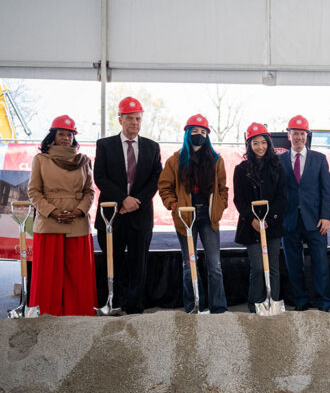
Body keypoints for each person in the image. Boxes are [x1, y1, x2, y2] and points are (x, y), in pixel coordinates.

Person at [94, 97, 162, 314]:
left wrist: (136, 202)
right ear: (120, 119)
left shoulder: (152, 147)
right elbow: (100, 177)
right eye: (130, 118)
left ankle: (134, 307)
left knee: (138, 264)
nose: (135, 122)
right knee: (111, 262)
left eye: (138, 118)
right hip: (111, 215)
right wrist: (123, 198)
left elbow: (155, 179)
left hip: (140, 215)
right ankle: (112, 303)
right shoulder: (105, 145)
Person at [158, 114, 229, 313]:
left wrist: (220, 206)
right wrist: (173, 204)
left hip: (209, 218)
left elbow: (223, 188)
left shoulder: (216, 160)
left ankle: (218, 306)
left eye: (203, 132)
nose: (199, 135)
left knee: (214, 264)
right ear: (187, 133)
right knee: (189, 263)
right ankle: (194, 304)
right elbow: (165, 186)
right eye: (195, 131)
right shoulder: (175, 160)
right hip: (185, 217)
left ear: (207, 135)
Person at [27, 115, 96, 315]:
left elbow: (89, 191)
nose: (66, 138)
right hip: (49, 222)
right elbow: (34, 192)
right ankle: (47, 313)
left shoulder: (83, 160)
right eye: (61, 133)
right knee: (47, 274)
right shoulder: (40, 160)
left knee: (78, 274)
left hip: (77, 222)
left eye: (69, 134)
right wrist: (52, 212)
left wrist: (79, 210)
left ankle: (79, 313)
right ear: (53, 135)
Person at [279, 115, 330, 312]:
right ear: (289, 135)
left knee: (320, 263)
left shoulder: (319, 159)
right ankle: (300, 301)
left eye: (302, 133)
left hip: (316, 220)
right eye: (295, 133)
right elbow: (278, 192)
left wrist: (326, 216)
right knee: (294, 264)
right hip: (290, 220)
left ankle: (323, 302)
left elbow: (327, 191)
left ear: (307, 135)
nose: (299, 137)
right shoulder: (280, 160)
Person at [233, 123, 287, 313]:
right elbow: (238, 199)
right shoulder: (241, 169)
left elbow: (282, 197)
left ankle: (273, 302)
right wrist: (253, 219)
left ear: (269, 144)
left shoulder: (277, 167)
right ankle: (255, 304)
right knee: (257, 267)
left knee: (273, 267)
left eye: (263, 143)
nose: (260, 147)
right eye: (255, 143)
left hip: (272, 225)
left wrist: (269, 219)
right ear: (249, 145)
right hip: (251, 226)